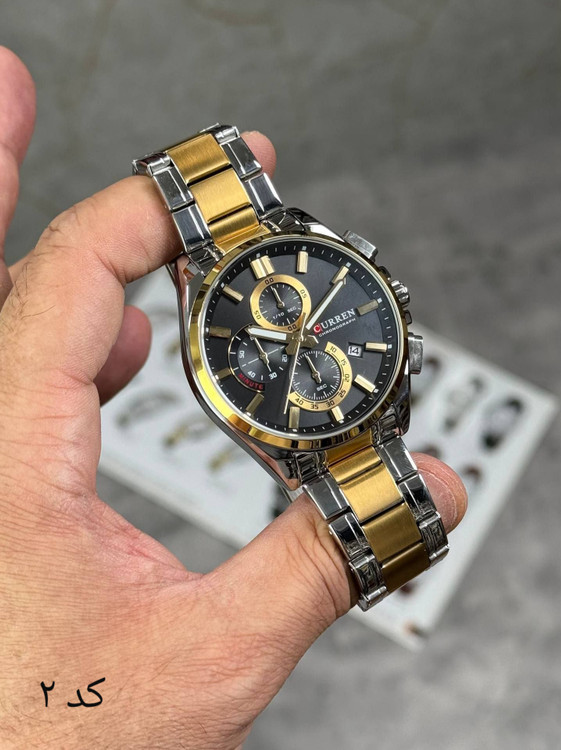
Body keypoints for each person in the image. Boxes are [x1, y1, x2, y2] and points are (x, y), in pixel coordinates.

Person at [0, 46, 467, 749]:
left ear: (385, 297)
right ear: (207, 378)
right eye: (280, 333)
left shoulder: (335, 288)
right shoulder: (220, 356)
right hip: (317, 436)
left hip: (365, 407)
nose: (298, 335)